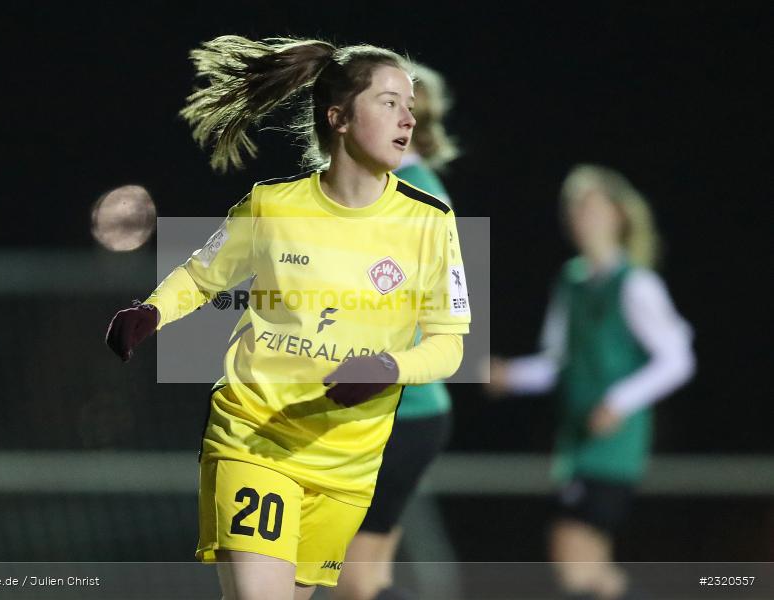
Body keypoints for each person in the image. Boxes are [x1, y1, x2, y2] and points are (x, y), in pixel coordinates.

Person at [105, 36, 471, 600]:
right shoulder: (273, 205)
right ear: (339, 117)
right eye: (389, 102)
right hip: (257, 438)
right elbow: (204, 276)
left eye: (411, 105)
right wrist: (151, 310)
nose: (408, 118)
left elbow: (449, 345)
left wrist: (388, 365)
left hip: (346, 462)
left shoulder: (431, 221)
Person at [486, 164, 695, 600]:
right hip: (575, 439)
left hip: (614, 445)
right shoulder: (572, 280)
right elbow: (556, 363)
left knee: (573, 553)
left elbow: (678, 358)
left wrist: (619, 401)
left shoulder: (636, 284)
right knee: (591, 569)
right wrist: (510, 375)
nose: (582, 217)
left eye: (593, 207)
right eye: (576, 209)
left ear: (619, 215)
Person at [334, 61, 460, 600]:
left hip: (397, 416)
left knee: (353, 582)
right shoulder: (395, 185)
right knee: (366, 579)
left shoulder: (410, 195)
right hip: (405, 414)